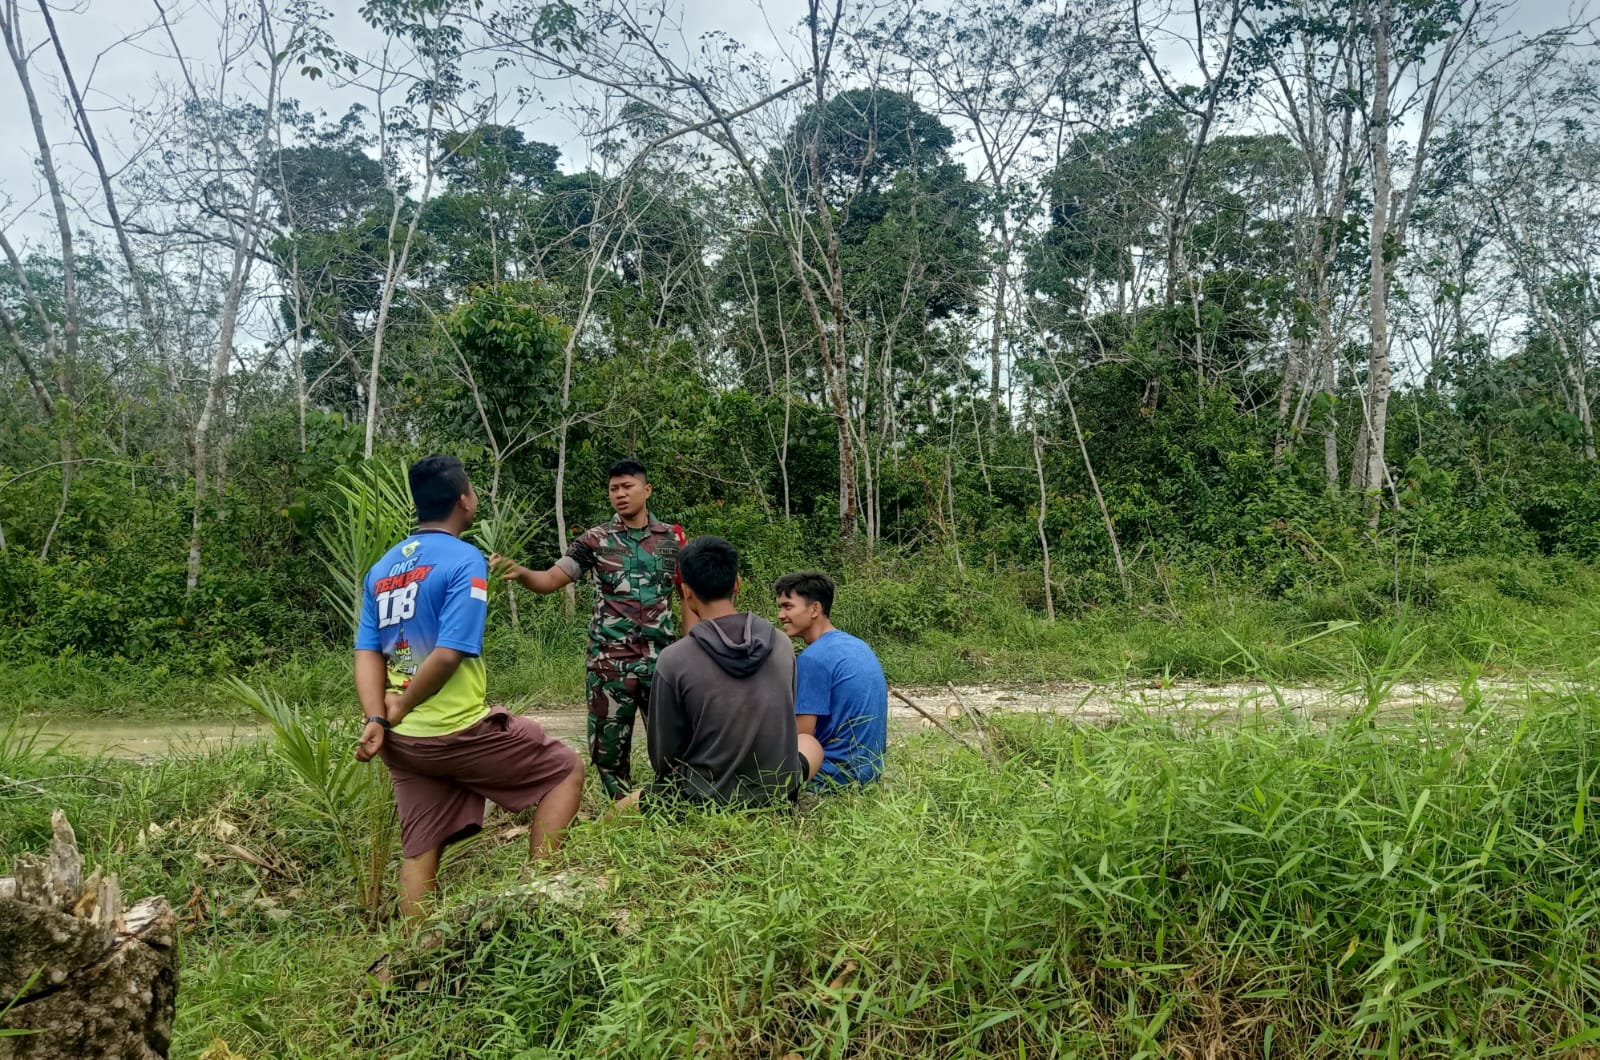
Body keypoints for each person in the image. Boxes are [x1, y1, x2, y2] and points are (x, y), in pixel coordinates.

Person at [355, 454, 582, 919]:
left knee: (421, 845)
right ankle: (540, 894)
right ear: (464, 500)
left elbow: (367, 652)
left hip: (403, 740)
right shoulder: (465, 560)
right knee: (565, 770)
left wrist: (378, 716)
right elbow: (449, 653)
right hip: (455, 730)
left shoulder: (382, 569)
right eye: (473, 490)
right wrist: (402, 706)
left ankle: (413, 951)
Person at [493, 459, 684, 800]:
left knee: (674, 744)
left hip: (663, 664)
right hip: (609, 664)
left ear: (646, 490)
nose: (620, 494)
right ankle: (619, 809)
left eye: (627, 487)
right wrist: (521, 573)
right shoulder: (595, 540)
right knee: (609, 751)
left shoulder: (672, 539)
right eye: (613, 489)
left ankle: (669, 804)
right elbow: (551, 579)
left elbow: (689, 595)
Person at [618, 536, 804, 812]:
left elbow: (664, 759)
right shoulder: (781, 643)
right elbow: (786, 719)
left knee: (617, 811)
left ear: (686, 591)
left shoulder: (674, 659)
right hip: (776, 793)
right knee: (811, 746)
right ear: (737, 583)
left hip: (704, 799)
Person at [775, 572, 888, 789]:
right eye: (780, 607)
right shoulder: (858, 646)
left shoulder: (813, 659)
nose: (781, 615)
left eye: (788, 606)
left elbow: (801, 737)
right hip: (869, 772)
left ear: (815, 609)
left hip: (833, 778)